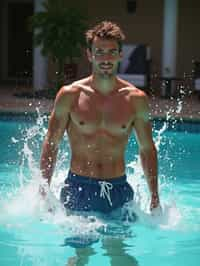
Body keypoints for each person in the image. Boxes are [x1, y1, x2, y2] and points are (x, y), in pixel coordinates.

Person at [40, 21, 160, 217]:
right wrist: (44, 188)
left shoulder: (135, 99)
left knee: (117, 248)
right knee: (81, 246)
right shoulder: (70, 95)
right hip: (78, 188)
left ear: (121, 55)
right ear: (89, 54)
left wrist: (154, 196)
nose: (106, 58)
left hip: (118, 190)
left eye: (112, 52)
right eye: (99, 52)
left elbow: (147, 148)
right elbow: (51, 142)